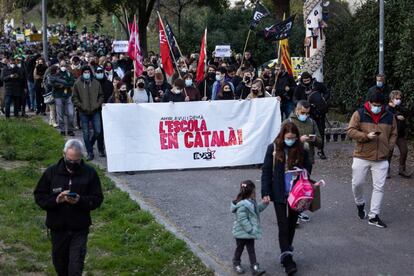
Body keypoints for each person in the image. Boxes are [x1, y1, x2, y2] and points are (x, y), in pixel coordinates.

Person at [34, 139, 103, 276]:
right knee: (60, 264)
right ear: (64, 154)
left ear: (81, 157)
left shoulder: (90, 173)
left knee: (75, 266)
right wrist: (56, 200)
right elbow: (39, 196)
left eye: (76, 161)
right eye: (69, 160)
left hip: (79, 228)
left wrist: (80, 200)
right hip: (57, 228)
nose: (72, 164)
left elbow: (97, 199)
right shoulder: (51, 173)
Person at [261, 122, 311, 275]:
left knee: (291, 224)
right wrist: (265, 192)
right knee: (283, 225)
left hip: (296, 193)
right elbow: (266, 171)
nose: (291, 140)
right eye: (289, 138)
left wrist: (301, 171)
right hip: (279, 193)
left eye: (294, 138)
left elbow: (308, 167)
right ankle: (288, 259)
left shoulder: (302, 148)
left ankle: (286, 251)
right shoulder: (273, 148)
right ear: (283, 136)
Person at [347, 92, 397, 228]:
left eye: (379, 106)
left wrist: (389, 147)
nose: (377, 107)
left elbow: (394, 133)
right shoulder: (359, 114)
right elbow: (350, 131)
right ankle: (360, 203)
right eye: (374, 105)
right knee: (357, 184)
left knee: (379, 187)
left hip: (381, 158)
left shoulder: (389, 116)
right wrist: (366, 136)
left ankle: (374, 216)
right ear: (369, 103)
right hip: (361, 155)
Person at [282, 100, 322, 223]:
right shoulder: (288, 122)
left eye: (307, 113)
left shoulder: (311, 122)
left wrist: (314, 139)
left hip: (307, 159)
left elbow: (320, 142)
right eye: (303, 112)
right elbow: (280, 142)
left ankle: (299, 211)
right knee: (292, 186)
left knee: (304, 186)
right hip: (292, 160)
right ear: (296, 110)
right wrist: (299, 140)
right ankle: (292, 213)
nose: (305, 115)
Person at [231, 180, 267, 275]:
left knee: (251, 249)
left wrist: (264, 204)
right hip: (241, 233)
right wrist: (250, 229)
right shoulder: (242, 205)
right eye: (254, 191)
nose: (255, 193)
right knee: (240, 248)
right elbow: (242, 219)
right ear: (250, 192)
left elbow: (256, 211)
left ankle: (255, 266)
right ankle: (236, 262)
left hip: (249, 232)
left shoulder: (252, 202)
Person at [294, 72, 330, 160]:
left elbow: (327, 92)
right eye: (304, 81)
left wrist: (323, 100)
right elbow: (294, 99)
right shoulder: (299, 88)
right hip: (306, 113)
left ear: (311, 79)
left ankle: (321, 150)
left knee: (320, 132)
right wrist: (301, 104)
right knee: (306, 131)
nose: (306, 82)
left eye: (308, 80)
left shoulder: (317, 85)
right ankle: (306, 150)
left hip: (318, 112)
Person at [72, 66, 104, 161]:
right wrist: (81, 106)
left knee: (98, 131)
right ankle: (90, 152)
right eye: (85, 72)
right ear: (82, 73)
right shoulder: (77, 84)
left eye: (88, 72)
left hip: (95, 111)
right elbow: (74, 97)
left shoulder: (96, 83)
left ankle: (90, 143)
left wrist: (97, 105)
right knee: (85, 133)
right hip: (83, 112)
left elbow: (101, 96)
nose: (87, 73)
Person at [386, 90, 411, 178]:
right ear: (391, 98)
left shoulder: (400, 107)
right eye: (396, 98)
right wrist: (396, 116)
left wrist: (397, 106)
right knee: (389, 153)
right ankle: (386, 171)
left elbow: (408, 112)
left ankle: (402, 170)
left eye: (400, 98)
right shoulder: (387, 108)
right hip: (390, 134)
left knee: (404, 151)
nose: (399, 100)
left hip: (400, 134)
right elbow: (386, 115)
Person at [53, 60, 76, 136]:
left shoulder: (69, 74)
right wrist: (62, 84)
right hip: (58, 96)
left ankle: (70, 130)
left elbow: (72, 82)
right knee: (60, 114)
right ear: (59, 66)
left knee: (71, 113)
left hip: (68, 95)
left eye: (64, 65)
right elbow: (53, 83)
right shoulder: (56, 74)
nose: (63, 66)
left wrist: (64, 84)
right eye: (62, 65)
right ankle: (62, 130)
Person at [95, 66, 114, 157]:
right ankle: (100, 149)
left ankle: (109, 148)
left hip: (108, 109)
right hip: (97, 109)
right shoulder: (93, 83)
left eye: (100, 72)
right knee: (99, 131)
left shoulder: (109, 83)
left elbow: (112, 94)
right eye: (97, 72)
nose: (99, 73)